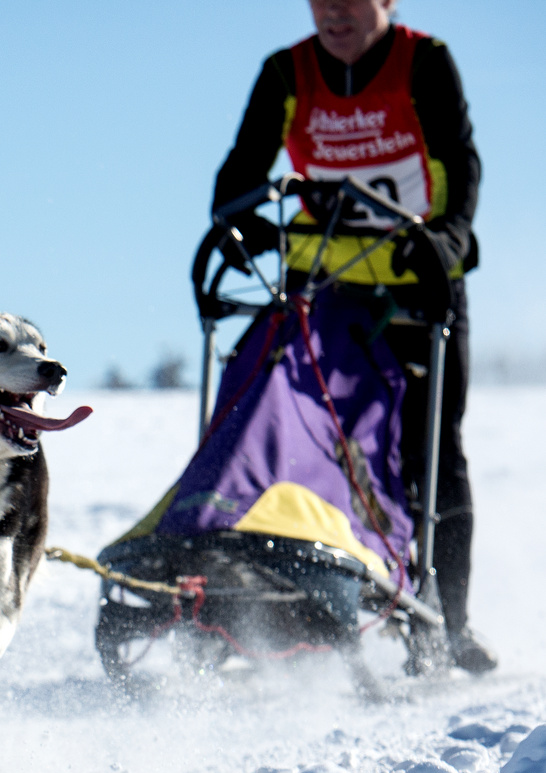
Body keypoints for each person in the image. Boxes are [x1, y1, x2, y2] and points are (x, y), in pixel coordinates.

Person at [212, 0, 495, 673]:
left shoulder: (424, 62)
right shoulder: (286, 72)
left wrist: (448, 239)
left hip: (417, 285)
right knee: (279, 431)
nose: (334, 11)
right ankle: (257, 595)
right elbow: (241, 170)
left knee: (431, 452)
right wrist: (238, 216)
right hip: (322, 294)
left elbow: (459, 165)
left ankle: (449, 621)